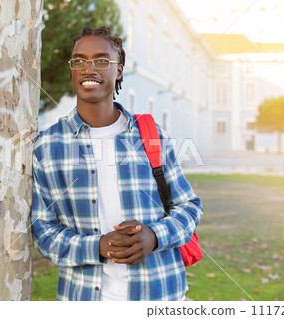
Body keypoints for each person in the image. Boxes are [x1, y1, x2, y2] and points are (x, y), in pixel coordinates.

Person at [31, 26, 203, 301]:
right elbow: (43, 231)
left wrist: (154, 236)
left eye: (102, 60)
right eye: (79, 60)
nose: (89, 68)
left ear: (119, 70)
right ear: (72, 70)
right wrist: (97, 246)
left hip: (161, 295)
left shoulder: (151, 135)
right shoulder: (48, 146)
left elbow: (189, 207)